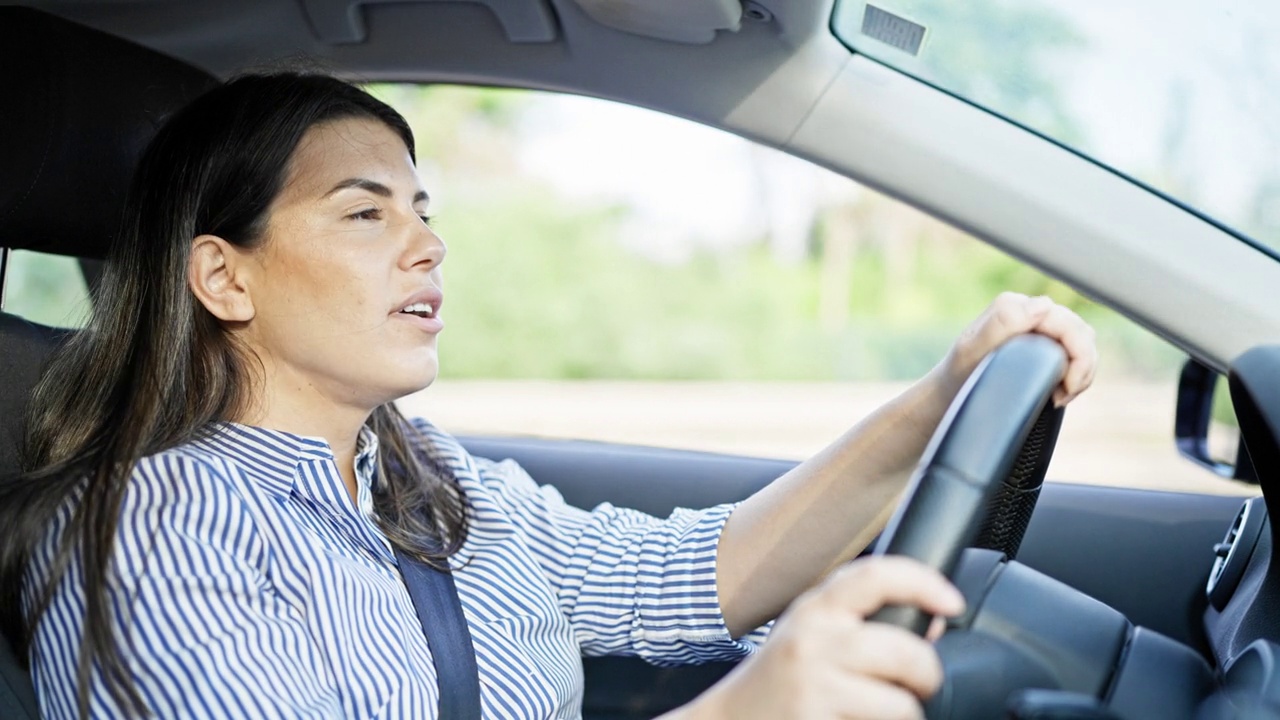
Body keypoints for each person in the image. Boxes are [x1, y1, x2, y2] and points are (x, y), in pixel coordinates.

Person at [0, 73, 1096, 719]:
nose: (427, 246)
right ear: (223, 276)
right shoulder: (156, 529)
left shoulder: (424, 476)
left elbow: (684, 578)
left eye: (424, 211)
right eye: (364, 213)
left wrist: (941, 395)